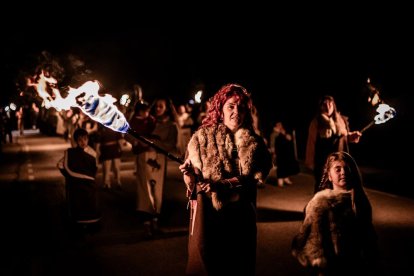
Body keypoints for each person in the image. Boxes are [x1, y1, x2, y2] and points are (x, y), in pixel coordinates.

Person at [179, 83, 273, 275]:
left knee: (238, 266)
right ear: (220, 109)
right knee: (209, 265)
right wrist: (189, 176)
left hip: (240, 216)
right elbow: (193, 181)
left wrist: (223, 185)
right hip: (209, 218)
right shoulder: (201, 139)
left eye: (240, 106)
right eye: (230, 105)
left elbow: (255, 176)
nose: (236, 111)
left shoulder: (255, 142)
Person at [291, 151, 378, 276]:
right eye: (337, 169)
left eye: (347, 168)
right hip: (332, 266)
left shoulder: (360, 199)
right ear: (329, 175)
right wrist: (321, 261)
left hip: (356, 264)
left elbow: (368, 234)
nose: (343, 172)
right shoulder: (321, 202)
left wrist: (370, 258)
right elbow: (313, 236)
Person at [305, 95, 362, 193]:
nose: (328, 107)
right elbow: (311, 143)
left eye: (330, 104)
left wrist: (351, 136)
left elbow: (343, 137)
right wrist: (310, 162)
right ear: (320, 106)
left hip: (340, 160)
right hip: (324, 162)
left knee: (340, 187)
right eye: (324, 104)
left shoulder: (341, 120)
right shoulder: (316, 122)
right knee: (323, 188)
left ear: (334, 105)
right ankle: (319, 208)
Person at [57, 128, 101, 227]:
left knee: (90, 204)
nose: (83, 142)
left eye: (85, 139)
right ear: (76, 141)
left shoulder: (92, 153)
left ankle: (91, 223)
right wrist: (71, 177)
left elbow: (95, 168)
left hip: (89, 185)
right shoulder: (71, 153)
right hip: (77, 185)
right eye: (80, 140)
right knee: (79, 205)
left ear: (88, 139)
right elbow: (60, 164)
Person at [269, 121, 300, 187]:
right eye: (279, 125)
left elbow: (289, 139)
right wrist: (274, 152)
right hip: (278, 153)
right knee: (280, 166)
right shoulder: (274, 134)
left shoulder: (283, 132)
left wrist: (285, 134)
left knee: (286, 165)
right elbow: (272, 144)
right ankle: (280, 180)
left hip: (285, 152)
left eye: (281, 124)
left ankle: (285, 177)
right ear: (276, 126)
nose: (280, 126)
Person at [95, 124, 124, 190]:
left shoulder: (115, 127)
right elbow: (98, 143)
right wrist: (98, 151)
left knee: (116, 167)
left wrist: (121, 148)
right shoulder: (101, 129)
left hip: (114, 149)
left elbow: (119, 139)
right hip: (106, 150)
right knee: (106, 168)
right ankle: (106, 183)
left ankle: (118, 182)